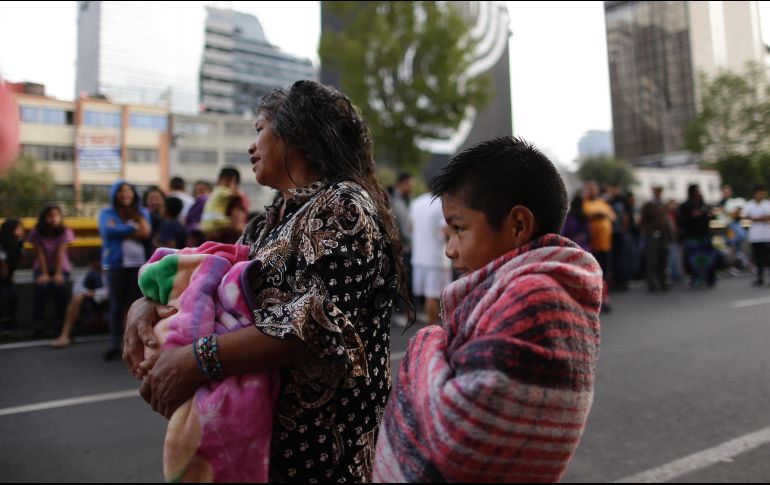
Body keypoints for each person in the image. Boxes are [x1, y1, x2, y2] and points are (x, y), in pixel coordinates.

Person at [123, 80, 409, 482]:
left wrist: (195, 361)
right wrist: (142, 307)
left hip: (324, 452)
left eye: (260, 129)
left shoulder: (344, 207)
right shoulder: (269, 222)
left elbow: (313, 325)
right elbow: (207, 283)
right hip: (271, 447)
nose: (251, 145)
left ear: (298, 133)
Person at [373, 136, 603, 482]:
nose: (450, 250)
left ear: (518, 226)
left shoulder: (536, 297)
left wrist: (426, 343)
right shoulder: (524, 289)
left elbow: (463, 438)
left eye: (459, 229)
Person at [99, 180, 151, 361]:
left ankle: (133, 343)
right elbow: (107, 231)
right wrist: (131, 227)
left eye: (128, 191)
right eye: (121, 191)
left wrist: (120, 228)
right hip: (115, 265)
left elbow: (146, 232)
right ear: (114, 194)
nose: (125, 194)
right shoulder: (106, 213)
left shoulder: (141, 212)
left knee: (135, 305)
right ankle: (114, 343)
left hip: (138, 264)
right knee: (115, 306)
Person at [27, 205, 74, 336]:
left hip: (61, 267)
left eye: (57, 216)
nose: (54, 219)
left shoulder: (65, 231)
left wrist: (58, 274)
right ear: (43, 218)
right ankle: (38, 323)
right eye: (50, 216)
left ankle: (60, 323)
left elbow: (60, 253)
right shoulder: (36, 233)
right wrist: (45, 274)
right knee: (41, 286)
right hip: (42, 267)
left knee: (58, 286)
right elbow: (40, 254)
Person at [49, 249, 108, 348]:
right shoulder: (86, 275)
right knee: (77, 298)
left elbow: (113, 291)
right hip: (91, 309)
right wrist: (89, 294)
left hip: (109, 306)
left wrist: (95, 294)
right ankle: (65, 335)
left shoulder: (111, 275)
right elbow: (77, 291)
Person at [583, 180, 616, 312]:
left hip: (605, 243)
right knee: (592, 272)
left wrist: (602, 215)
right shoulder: (584, 203)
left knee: (604, 272)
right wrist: (597, 215)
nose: (592, 190)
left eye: (593, 188)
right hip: (591, 244)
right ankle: (594, 299)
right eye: (589, 188)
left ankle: (604, 298)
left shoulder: (602, 203)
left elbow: (612, 216)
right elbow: (585, 215)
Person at [677, 184, 717, 288]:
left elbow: (711, 217)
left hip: (704, 235)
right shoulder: (685, 206)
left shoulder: (703, 205)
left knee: (708, 259)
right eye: (696, 191)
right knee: (694, 260)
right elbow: (681, 220)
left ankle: (709, 279)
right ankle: (696, 278)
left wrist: (708, 215)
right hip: (692, 237)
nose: (699, 193)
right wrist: (693, 215)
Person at [389, 172, 414, 326]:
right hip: (399, 247)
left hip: (408, 247)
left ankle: (408, 312)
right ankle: (400, 312)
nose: (412, 187)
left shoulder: (408, 200)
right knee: (400, 280)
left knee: (407, 280)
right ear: (402, 183)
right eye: (410, 183)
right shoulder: (394, 201)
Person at [640, 186, 673, 292]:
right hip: (652, 235)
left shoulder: (663, 205)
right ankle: (652, 283)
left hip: (663, 236)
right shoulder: (649, 205)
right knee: (652, 260)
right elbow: (643, 221)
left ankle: (662, 281)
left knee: (663, 259)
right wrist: (648, 231)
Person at [200, 167, 242, 241]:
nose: (229, 184)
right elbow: (237, 194)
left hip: (205, 226)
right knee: (241, 228)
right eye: (229, 181)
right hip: (216, 223)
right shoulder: (222, 190)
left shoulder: (214, 191)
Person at [0, 219, 25, 330]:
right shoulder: (2, 244)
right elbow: (3, 267)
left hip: (7, 277)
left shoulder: (18, 243)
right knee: (4, 296)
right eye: (18, 228)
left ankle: (10, 322)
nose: (21, 230)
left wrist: (10, 275)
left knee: (13, 295)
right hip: (3, 277)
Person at [743, 184, 770, 286]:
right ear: (755, 194)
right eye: (760, 193)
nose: (762, 195)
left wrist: (753, 218)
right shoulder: (749, 205)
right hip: (755, 236)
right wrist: (760, 218)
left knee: (768, 258)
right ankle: (760, 278)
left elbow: (767, 218)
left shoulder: (767, 204)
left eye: (763, 193)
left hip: (767, 235)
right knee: (758, 259)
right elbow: (745, 217)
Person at [142, 186, 166, 254]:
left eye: (157, 198)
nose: (155, 202)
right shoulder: (142, 218)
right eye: (151, 199)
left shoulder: (169, 218)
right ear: (145, 202)